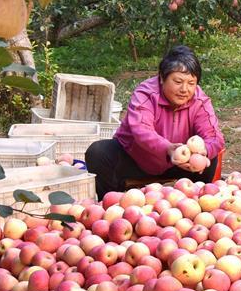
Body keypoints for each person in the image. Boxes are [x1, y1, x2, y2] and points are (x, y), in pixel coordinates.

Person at [85, 46, 225, 199]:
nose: (184, 89)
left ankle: (197, 204)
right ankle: (112, 203)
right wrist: (168, 148)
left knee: (210, 156)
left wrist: (203, 153)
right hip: (137, 160)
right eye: (178, 81)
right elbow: (141, 131)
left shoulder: (199, 101)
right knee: (98, 152)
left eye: (191, 83)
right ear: (162, 78)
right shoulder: (145, 93)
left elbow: (214, 137)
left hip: (180, 164)